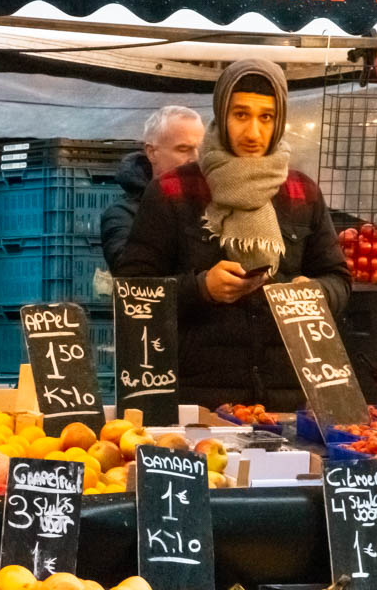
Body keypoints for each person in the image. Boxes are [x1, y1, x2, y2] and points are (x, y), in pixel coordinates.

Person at [116, 59, 351, 410]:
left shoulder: (303, 193)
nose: (254, 132)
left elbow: (339, 279)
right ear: (221, 114)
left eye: (266, 117)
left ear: (279, 121)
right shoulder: (172, 191)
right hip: (197, 404)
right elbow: (132, 291)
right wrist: (201, 288)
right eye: (241, 115)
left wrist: (317, 292)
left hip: (289, 401)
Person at [100, 106, 204, 270]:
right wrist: (202, 285)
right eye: (183, 149)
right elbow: (131, 275)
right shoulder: (123, 214)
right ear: (152, 152)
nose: (195, 159)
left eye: (201, 149)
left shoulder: (213, 202)